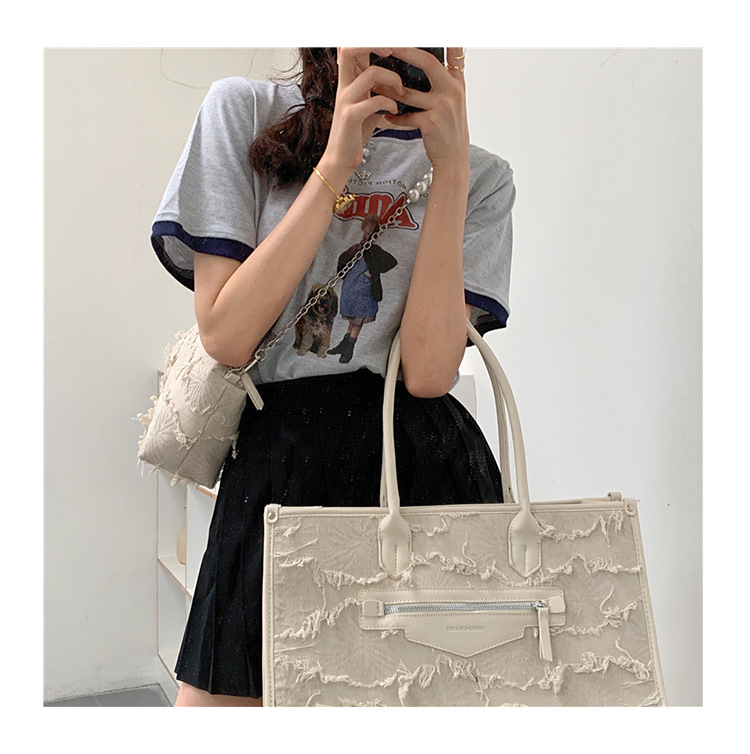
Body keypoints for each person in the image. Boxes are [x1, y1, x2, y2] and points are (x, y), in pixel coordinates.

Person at [150, 47, 516, 707]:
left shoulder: (483, 176)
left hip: (422, 468)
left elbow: (429, 372)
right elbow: (226, 335)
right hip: (280, 465)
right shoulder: (245, 112)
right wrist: (337, 161)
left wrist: (452, 168)